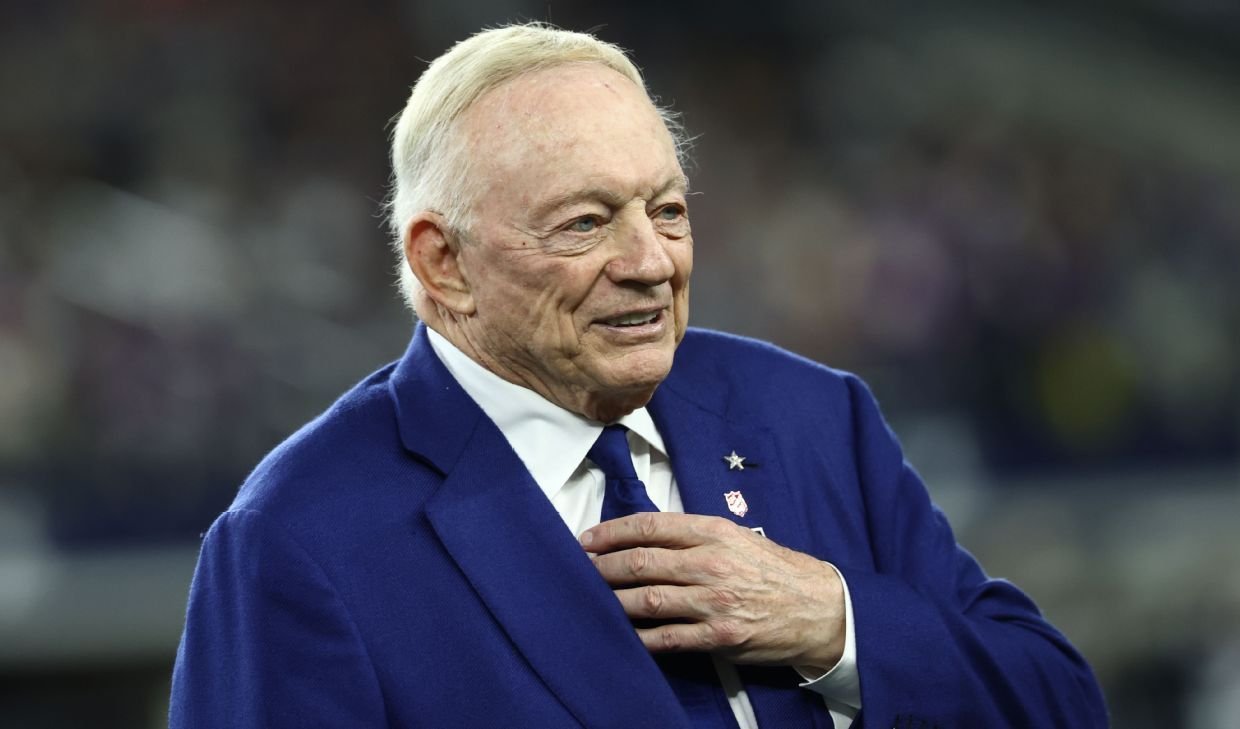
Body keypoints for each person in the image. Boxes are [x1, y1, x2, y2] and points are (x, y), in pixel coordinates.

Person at [169, 22, 1108, 729]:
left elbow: (1057, 700)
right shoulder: (301, 537)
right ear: (442, 262)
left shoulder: (812, 416)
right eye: (585, 223)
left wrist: (836, 622)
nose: (651, 262)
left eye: (666, 210)